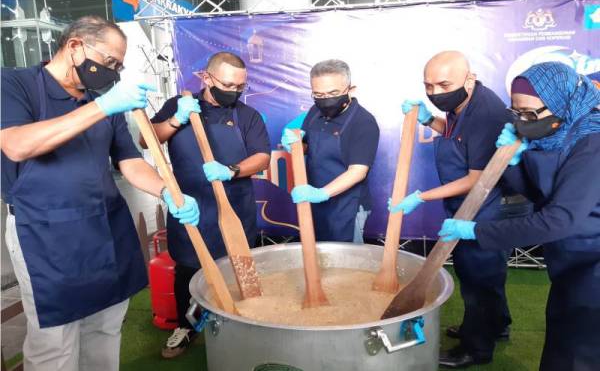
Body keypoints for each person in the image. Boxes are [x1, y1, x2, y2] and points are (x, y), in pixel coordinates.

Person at [0, 16, 199, 371]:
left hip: (107, 226)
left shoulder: (102, 98)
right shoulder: (15, 84)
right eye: (110, 63)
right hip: (46, 233)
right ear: (75, 46)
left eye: (118, 67)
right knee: (55, 341)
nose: (112, 73)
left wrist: (169, 192)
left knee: (106, 330)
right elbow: (16, 145)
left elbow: (129, 161)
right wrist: (103, 107)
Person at [439, 61, 600, 371]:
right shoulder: (554, 132)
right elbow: (536, 193)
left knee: (579, 350)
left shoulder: (592, 143)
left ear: (560, 102)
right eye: (516, 112)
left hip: (593, 260)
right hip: (569, 258)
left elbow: (559, 218)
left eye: (529, 113)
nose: (522, 121)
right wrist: (513, 162)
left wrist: (478, 231)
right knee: (562, 333)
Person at [141, 52, 271, 358]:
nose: (234, 91)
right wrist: (175, 120)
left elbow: (262, 157)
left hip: (235, 206)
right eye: (227, 84)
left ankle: (247, 321)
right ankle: (187, 327)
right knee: (188, 267)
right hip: (189, 205)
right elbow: (147, 140)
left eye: (240, 86)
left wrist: (232, 170)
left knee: (241, 265)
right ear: (205, 78)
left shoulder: (247, 115)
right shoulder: (178, 104)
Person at [390, 51, 511, 368]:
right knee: (487, 275)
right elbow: (457, 136)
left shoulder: (486, 114)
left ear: (469, 78)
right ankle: (496, 325)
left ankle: (477, 348)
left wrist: (421, 196)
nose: (435, 92)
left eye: (444, 84)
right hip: (470, 204)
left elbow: (476, 179)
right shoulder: (463, 104)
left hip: (485, 206)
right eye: (428, 85)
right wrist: (429, 119)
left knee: (478, 277)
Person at [280, 59, 380, 243]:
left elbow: (358, 171)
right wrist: (295, 146)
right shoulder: (314, 112)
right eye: (318, 94)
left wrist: (321, 194)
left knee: (346, 264)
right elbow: (310, 148)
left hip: (347, 205)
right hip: (315, 202)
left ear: (351, 89)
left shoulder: (363, 122)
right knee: (319, 257)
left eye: (333, 93)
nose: (326, 100)